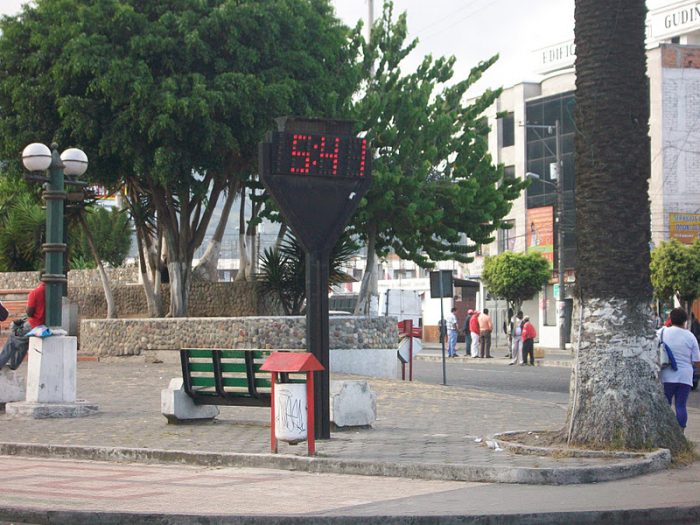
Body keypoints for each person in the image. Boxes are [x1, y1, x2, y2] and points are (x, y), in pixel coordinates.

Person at [658, 307, 700, 433]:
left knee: (665, 405)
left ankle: (664, 431)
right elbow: (697, 361)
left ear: (670, 319)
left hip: (666, 376)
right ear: (685, 321)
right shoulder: (690, 336)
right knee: (681, 405)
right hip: (684, 377)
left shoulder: (662, 332)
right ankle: (680, 432)